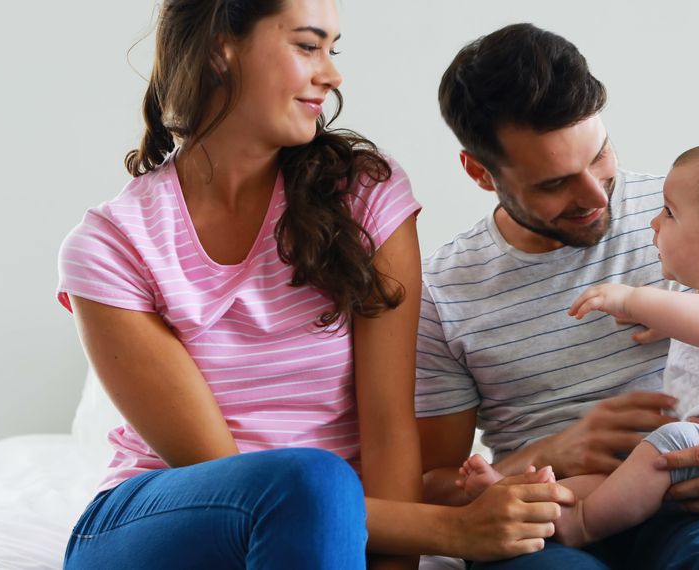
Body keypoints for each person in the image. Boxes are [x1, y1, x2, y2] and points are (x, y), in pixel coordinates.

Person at [57, 2, 570, 568]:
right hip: (163, 521)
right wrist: (449, 530)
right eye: (307, 46)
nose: (332, 73)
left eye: (333, 48)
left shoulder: (365, 197)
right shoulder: (111, 246)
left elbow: (389, 432)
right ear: (219, 49)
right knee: (312, 481)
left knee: (320, 488)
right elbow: (220, 475)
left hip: (325, 533)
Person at [415, 23, 699, 569]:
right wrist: (549, 454)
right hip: (557, 514)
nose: (595, 196)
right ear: (480, 171)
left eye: (599, 155)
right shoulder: (444, 292)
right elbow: (430, 490)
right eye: (553, 183)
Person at [458, 144, 699, 548]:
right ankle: (519, 495)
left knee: (665, 447)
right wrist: (664, 322)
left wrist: (632, 300)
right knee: (631, 470)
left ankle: (581, 523)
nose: (654, 222)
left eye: (669, 213)